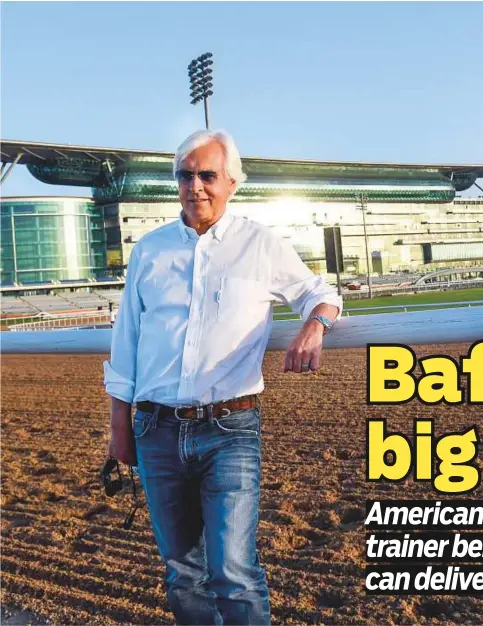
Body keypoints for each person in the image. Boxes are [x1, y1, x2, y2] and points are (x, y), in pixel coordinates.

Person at [104, 129, 342, 625]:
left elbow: (320, 291)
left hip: (229, 430)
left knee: (233, 571)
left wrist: (314, 327)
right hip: (155, 430)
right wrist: (120, 431)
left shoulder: (261, 244)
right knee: (181, 573)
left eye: (207, 175)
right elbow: (125, 345)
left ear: (232, 182)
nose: (195, 186)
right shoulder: (149, 251)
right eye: (185, 176)